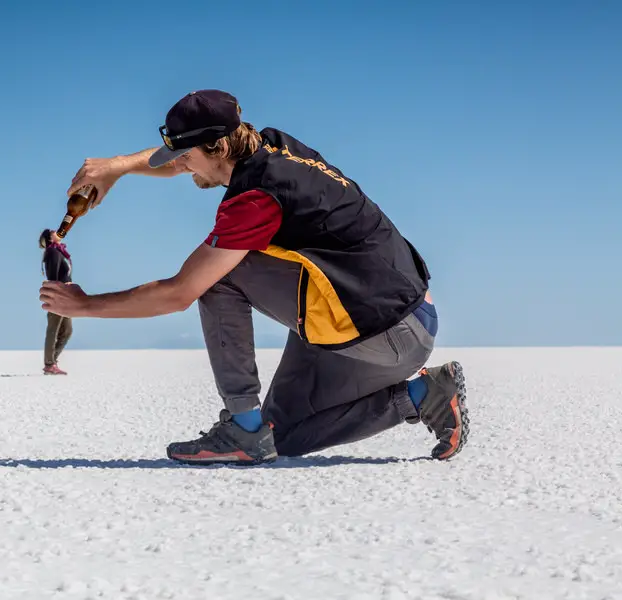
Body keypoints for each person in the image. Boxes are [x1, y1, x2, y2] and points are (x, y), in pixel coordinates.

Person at [39, 89, 469, 465]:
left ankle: (242, 429)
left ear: (218, 148)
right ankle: (422, 395)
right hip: (394, 313)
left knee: (215, 275)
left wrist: (86, 305)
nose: (183, 169)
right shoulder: (272, 146)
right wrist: (117, 166)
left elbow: (179, 294)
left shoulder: (256, 199)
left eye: (188, 157)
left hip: (384, 332)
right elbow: (174, 163)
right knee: (282, 436)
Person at [39, 228, 73, 375]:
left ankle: (52, 361)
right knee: (53, 329)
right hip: (58, 296)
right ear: (50, 238)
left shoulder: (59, 252)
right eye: (53, 231)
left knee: (67, 330)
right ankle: (49, 364)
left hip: (66, 296)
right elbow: (52, 277)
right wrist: (56, 294)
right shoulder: (52, 252)